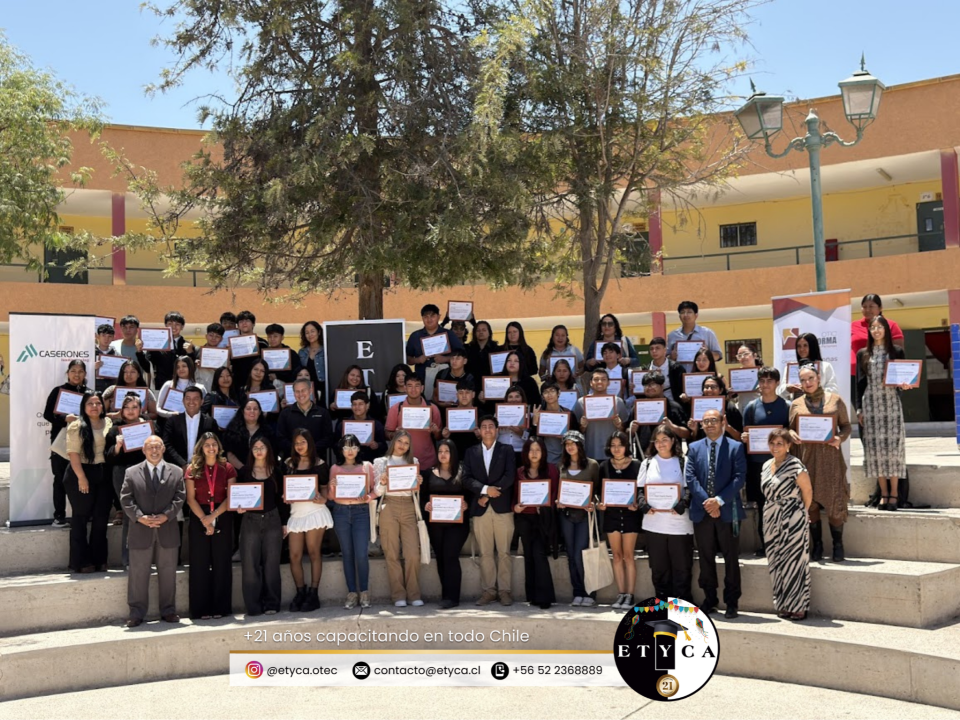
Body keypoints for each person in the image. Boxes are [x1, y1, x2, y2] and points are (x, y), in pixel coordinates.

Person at [685, 408, 746, 618]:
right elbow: (691, 478)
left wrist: (718, 501)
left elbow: (739, 477)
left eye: (713, 420)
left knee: (731, 558)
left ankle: (732, 602)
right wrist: (708, 503)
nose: (710, 424)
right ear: (701, 425)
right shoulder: (693, 448)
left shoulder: (735, 447)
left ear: (722, 423)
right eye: (706, 421)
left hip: (728, 511)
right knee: (705, 557)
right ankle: (709, 599)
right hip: (702, 512)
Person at [789, 365, 853, 562]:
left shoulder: (835, 400)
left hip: (830, 460)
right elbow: (790, 429)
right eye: (803, 380)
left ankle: (838, 545)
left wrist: (840, 438)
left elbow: (846, 426)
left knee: (834, 501)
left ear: (818, 378)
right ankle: (817, 544)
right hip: (806, 458)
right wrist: (791, 434)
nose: (807, 383)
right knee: (811, 502)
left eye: (810, 378)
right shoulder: (796, 404)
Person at [120, 435, 185, 627]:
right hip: (141, 530)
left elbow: (180, 497)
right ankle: (136, 613)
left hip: (167, 530)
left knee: (168, 573)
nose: (154, 451)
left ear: (163, 449)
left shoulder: (176, 472)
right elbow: (126, 499)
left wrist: (167, 515)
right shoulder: (131, 472)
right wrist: (140, 517)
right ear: (144, 450)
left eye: (157, 447)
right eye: (150, 447)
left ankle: (169, 610)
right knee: (138, 574)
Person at [855, 315, 909, 510]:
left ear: (886, 329)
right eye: (873, 327)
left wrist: (905, 384)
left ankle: (894, 494)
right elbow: (860, 384)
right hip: (870, 404)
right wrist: (859, 409)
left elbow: (903, 377)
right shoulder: (863, 354)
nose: (876, 330)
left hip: (891, 404)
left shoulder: (896, 352)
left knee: (893, 450)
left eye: (880, 327)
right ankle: (884, 494)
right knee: (875, 450)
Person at [462, 416, 517, 606]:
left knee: (504, 552)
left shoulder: (507, 450)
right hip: (481, 509)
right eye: (484, 426)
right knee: (485, 553)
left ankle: (504, 591)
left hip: (502, 508)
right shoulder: (471, 452)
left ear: (497, 430)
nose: (487, 430)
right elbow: (466, 478)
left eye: (491, 426)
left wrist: (488, 495)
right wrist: (485, 490)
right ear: (479, 430)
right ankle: (489, 591)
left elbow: (509, 476)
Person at [638, 424, 694, 604]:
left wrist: (683, 503)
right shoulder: (647, 463)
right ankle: (663, 605)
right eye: (657, 440)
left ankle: (683, 606)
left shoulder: (683, 461)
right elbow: (640, 490)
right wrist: (643, 504)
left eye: (665, 440)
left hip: (679, 525)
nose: (660, 444)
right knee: (659, 570)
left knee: (682, 568)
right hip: (654, 525)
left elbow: (690, 489)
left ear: (673, 441)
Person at [762, 428, 813, 620]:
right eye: (772, 443)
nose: (775, 447)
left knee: (794, 561)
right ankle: (783, 603)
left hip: (792, 517)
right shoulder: (766, 465)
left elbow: (807, 492)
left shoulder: (795, 465)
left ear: (788, 446)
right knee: (775, 560)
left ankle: (798, 606)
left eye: (780, 444)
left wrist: (802, 512)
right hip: (770, 517)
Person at [184, 432, 236, 619]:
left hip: (222, 514)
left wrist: (213, 517)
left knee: (222, 562)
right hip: (199, 514)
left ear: (218, 446)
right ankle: (201, 609)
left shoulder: (228, 468)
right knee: (200, 563)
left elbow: (231, 497)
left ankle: (221, 607)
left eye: (214, 444)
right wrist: (204, 519)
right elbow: (190, 499)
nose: (211, 448)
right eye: (207, 445)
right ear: (201, 447)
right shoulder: (192, 469)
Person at [740, 367, 790, 558]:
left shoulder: (787, 406)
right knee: (763, 506)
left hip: (781, 464)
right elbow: (746, 433)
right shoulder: (751, 407)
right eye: (762, 380)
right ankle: (766, 544)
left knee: (783, 504)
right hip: (758, 465)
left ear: (777, 383)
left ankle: (785, 544)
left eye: (769, 380)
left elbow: (791, 433)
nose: (765, 384)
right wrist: (745, 437)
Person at [236, 436, 288, 616]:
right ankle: (253, 606)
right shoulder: (244, 472)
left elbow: (282, 500)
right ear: (251, 451)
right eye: (255, 447)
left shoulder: (276, 471)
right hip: (250, 521)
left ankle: (272, 603)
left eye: (262, 447)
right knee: (250, 565)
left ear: (268, 450)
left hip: (273, 520)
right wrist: (238, 508)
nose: (259, 451)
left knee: (271, 564)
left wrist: (284, 523)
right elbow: (237, 496)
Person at [373, 431, 425, 607]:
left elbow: (414, 490)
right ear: (393, 441)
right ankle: (398, 595)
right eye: (400, 441)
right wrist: (382, 482)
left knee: (412, 554)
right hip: (389, 505)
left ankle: (414, 594)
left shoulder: (414, 461)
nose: (402, 445)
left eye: (406, 443)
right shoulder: (380, 462)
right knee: (392, 553)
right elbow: (377, 492)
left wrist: (418, 482)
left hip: (409, 506)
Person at [285, 429, 333, 612]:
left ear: (310, 443)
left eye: (303, 442)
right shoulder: (288, 463)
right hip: (296, 513)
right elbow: (285, 488)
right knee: (294, 555)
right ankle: (300, 591)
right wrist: (285, 496)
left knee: (314, 552)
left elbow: (324, 489)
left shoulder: (320, 464)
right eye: (296, 443)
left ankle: (314, 593)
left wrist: (323, 498)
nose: (299, 446)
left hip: (314, 512)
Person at [64, 392, 113, 573]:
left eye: (98, 403)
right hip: (81, 473)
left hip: (103, 473)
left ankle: (99, 559)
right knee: (80, 518)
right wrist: (82, 477)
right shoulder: (76, 426)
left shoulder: (108, 422)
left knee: (101, 519)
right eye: (90, 404)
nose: (94, 407)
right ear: (83, 407)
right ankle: (81, 562)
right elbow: (73, 454)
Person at [421, 439, 471, 608]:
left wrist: (467, 504)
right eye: (440, 451)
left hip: (458, 524)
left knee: (450, 556)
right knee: (441, 557)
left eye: (447, 451)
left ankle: (453, 597)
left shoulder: (462, 472)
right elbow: (422, 497)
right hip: (435, 524)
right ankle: (446, 595)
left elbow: (471, 494)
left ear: (453, 453)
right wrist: (425, 505)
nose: (443, 454)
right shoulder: (429, 473)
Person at [328, 434, 376, 609]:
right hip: (341, 511)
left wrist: (368, 497)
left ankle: (364, 591)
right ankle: (351, 593)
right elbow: (330, 497)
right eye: (346, 447)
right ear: (341, 450)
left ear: (358, 449)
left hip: (361, 512)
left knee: (361, 553)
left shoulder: (366, 466)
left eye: (353, 447)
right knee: (347, 553)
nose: (350, 451)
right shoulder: (335, 468)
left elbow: (376, 489)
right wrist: (332, 486)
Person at [512, 436, 559, 610]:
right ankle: (532, 596)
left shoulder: (551, 470)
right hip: (524, 518)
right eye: (531, 450)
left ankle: (545, 597)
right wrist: (515, 507)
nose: (534, 453)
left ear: (543, 452)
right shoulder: (519, 472)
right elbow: (514, 496)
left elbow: (555, 493)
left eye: (538, 450)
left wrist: (546, 506)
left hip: (542, 519)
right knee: (529, 556)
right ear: (525, 452)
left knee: (539, 554)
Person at [105, 394, 151, 567]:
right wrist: (117, 446)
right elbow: (109, 457)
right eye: (127, 407)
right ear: (121, 410)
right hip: (122, 473)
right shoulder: (114, 429)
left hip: (146, 473)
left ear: (141, 409)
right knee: (130, 515)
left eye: (134, 407)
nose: (131, 411)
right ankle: (129, 559)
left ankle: (145, 557)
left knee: (146, 512)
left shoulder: (149, 427)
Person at [597, 431, 641, 610]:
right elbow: (598, 492)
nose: (616, 449)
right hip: (611, 516)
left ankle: (630, 595)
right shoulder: (604, 466)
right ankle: (621, 593)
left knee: (628, 555)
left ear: (626, 447)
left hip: (630, 515)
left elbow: (641, 490)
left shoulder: (637, 465)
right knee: (616, 555)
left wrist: (638, 503)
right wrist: (600, 504)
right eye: (613, 445)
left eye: (620, 445)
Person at [555, 430, 599, 607]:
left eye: (573, 443)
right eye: (567, 444)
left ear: (580, 445)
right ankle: (578, 591)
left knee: (581, 554)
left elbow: (597, 491)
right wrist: (558, 502)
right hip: (566, 516)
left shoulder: (592, 465)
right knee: (571, 556)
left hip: (584, 517)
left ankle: (590, 592)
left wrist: (593, 503)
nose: (570, 446)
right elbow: (558, 491)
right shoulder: (561, 466)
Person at [43, 359, 88, 527]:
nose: (77, 374)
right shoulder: (58, 391)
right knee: (60, 479)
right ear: (67, 373)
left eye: (80, 371)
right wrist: (64, 419)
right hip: (61, 441)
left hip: (83, 442)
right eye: (73, 371)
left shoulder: (89, 393)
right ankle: (59, 516)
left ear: (85, 374)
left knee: (83, 477)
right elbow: (47, 414)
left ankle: (84, 515)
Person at [385, 374, 442, 470]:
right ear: (405, 388)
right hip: (402, 462)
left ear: (422, 388)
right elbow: (387, 434)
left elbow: (439, 437)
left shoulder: (433, 409)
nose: (413, 389)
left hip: (427, 461)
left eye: (417, 386)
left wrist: (436, 431)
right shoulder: (396, 409)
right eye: (410, 386)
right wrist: (395, 434)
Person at [572, 368, 629, 461]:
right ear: (591, 383)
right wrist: (582, 427)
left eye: (603, 379)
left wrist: (619, 426)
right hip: (590, 452)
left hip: (613, 453)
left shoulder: (618, 402)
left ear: (608, 383)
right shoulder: (581, 402)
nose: (599, 382)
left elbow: (625, 429)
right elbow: (576, 431)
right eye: (596, 379)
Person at [627, 371, 690, 454]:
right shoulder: (638, 407)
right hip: (644, 456)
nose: (649, 387)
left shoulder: (674, 407)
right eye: (646, 385)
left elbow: (687, 434)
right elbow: (626, 432)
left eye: (653, 384)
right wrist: (631, 430)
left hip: (671, 456)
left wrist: (672, 427)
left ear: (662, 386)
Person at [850, 294, 904, 391]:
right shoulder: (853, 326)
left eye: (871, 306)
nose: (867, 310)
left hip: (883, 374)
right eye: (864, 307)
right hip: (855, 374)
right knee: (860, 400)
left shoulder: (891, 325)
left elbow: (898, 352)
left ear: (880, 308)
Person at [405, 303, 464, 387]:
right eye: (426, 317)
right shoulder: (415, 336)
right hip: (421, 380)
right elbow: (407, 359)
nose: (429, 319)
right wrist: (417, 360)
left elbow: (462, 355)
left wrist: (445, 359)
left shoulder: (449, 334)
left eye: (432, 316)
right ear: (422, 318)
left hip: (445, 379)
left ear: (438, 317)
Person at [275, 378, 335, 459]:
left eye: (303, 390)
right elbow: (280, 438)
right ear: (294, 393)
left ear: (310, 390)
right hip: (293, 460)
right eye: (297, 391)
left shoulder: (323, 413)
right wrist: (297, 450)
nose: (300, 394)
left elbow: (328, 437)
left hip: (317, 459)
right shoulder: (285, 414)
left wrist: (311, 450)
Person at [162, 386, 220, 468]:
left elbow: (215, 445)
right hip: (178, 468)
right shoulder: (173, 421)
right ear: (183, 401)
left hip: (203, 468)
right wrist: (183, 464)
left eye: (196, 398)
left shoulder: (210, 422)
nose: (191, 402)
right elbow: (167, 445)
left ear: (202, 401)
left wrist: (200, 464)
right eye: (188, 398)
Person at [778, 332, 840, 400]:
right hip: (797, 405)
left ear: (813, 346)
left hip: (819, 405)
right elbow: (780, 393)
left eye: (805, 345)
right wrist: (787, 389)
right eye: (799, 346)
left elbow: (833, 390)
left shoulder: (825, 366)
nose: (801, 349)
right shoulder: (790, 368)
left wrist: (816, 391)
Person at [144, 311, 196, 392]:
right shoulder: (156, 345)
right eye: (170, 324)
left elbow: (193, 369)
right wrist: (139, 353)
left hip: (184, 387)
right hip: (161, 386)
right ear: (165, 325)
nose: (173, 327)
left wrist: (190, 353)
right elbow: (146, 367)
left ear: (182, 327)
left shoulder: (189, 346)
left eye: (177, 324)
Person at [334, 391, 387, 464]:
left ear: (367, 406)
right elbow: (335, 446)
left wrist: (377, 445)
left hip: (370, 462)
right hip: (348, 464)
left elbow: (384, 447)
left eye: (360, 404)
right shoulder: (342, 425)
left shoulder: (377, 425)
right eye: (354, 404)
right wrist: (342, 445)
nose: (357, 407)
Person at [686, 375, 743, 443]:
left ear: (721, 390)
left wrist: (727, 427)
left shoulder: (730, 408)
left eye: (713, 387)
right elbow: (694, 438)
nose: (709, 390)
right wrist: (694, 430)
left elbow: (740, 437)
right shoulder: (697, 408)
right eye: (706, 387)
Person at [668, 300, 722, 370]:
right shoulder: (672, 335)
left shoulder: (707, 333)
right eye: (682, 312)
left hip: (701, 374)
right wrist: (671, 357)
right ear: (679, 316)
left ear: (696, 315)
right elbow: (666, 359)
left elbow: (718, 356)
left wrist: (707, 353)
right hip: (678, 375)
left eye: (689, 312)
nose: (686, 315)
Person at [223, 399, 275, 470]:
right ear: (242, 411)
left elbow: (272, 453)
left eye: (255, 409)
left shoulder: (268, 431)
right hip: (238, 471)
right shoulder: (232, 431)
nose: (252, 411)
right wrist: (244, 470)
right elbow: (229, 453)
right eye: (248, 409)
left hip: (262, 471)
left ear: (260, 412)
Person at [156, 356, 207, 426]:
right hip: (171, 425)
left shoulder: (200, 388)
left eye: (184, 366)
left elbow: (204, 411)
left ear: (190, 367)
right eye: (178, 367)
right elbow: (158, 409)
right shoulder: (168, 385)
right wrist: (170, 414)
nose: (181, 369)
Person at [440, 379, 482, 459]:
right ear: (457, 395)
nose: (464, 396)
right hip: (454, 457)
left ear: (473, 394)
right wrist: (445, 436)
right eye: (461, 393)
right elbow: (443, 439)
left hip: (475, 457)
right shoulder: (449, 414)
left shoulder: (481, 414)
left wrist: (480, 436)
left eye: (467, 392)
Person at [531, 381, 567, 465]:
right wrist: (535, 423)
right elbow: (532, 439)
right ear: (542, 396)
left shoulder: (568, 414)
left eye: (552, 391)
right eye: (546, 392)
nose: (549, 394)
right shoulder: (538, 415)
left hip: (565, 458)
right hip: (546, 459)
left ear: (559, 393)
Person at [230, 310, 269, 388]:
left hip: (258, 384)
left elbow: (266, 364)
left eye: (247, 321)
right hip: (238, 384)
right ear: (238, 326)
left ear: (253, 324)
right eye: (241, 321)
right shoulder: (232, 344)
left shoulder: (262, 343)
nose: (244, 323)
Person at [646, 336, 685, 401]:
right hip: (652, 404)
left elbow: (682, 389)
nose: (654, 351)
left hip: (673, 403)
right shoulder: (646, 369)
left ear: (665, 350)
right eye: (651, 349)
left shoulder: (676, 368)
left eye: (657, 348)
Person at [298, 321, 327, 402]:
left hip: (323, 387)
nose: (310, 334)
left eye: (312, 331)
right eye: (307, 333)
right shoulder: (302, 352)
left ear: (319, 332)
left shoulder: (326, 349)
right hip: (307, 388)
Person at [193, 322, 226, 393]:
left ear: (221, 339)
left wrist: (217, 369)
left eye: (217, 336)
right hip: (199, 390)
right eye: (211, 335)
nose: (213, 338)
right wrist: (194, 364)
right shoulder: (197, 351)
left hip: (216, 391)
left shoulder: (224, 354)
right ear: (206, 336)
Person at [729, 343, 762, 411]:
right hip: (742, 409)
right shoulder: (736, 374)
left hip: (760, 408)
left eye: (746, 354)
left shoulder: (763, 373)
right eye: (739, 355)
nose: (742, 357)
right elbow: (734, 397)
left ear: (755, 355)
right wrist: (731, 392)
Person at [94, 323, 120, 394]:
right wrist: (93, 367)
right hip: (95, 385)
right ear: (97, 336)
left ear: (113, 338)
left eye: (109, 336)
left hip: (111, 386)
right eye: (103, 335)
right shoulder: (91, 353)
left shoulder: (116, 354)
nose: (106, 339)